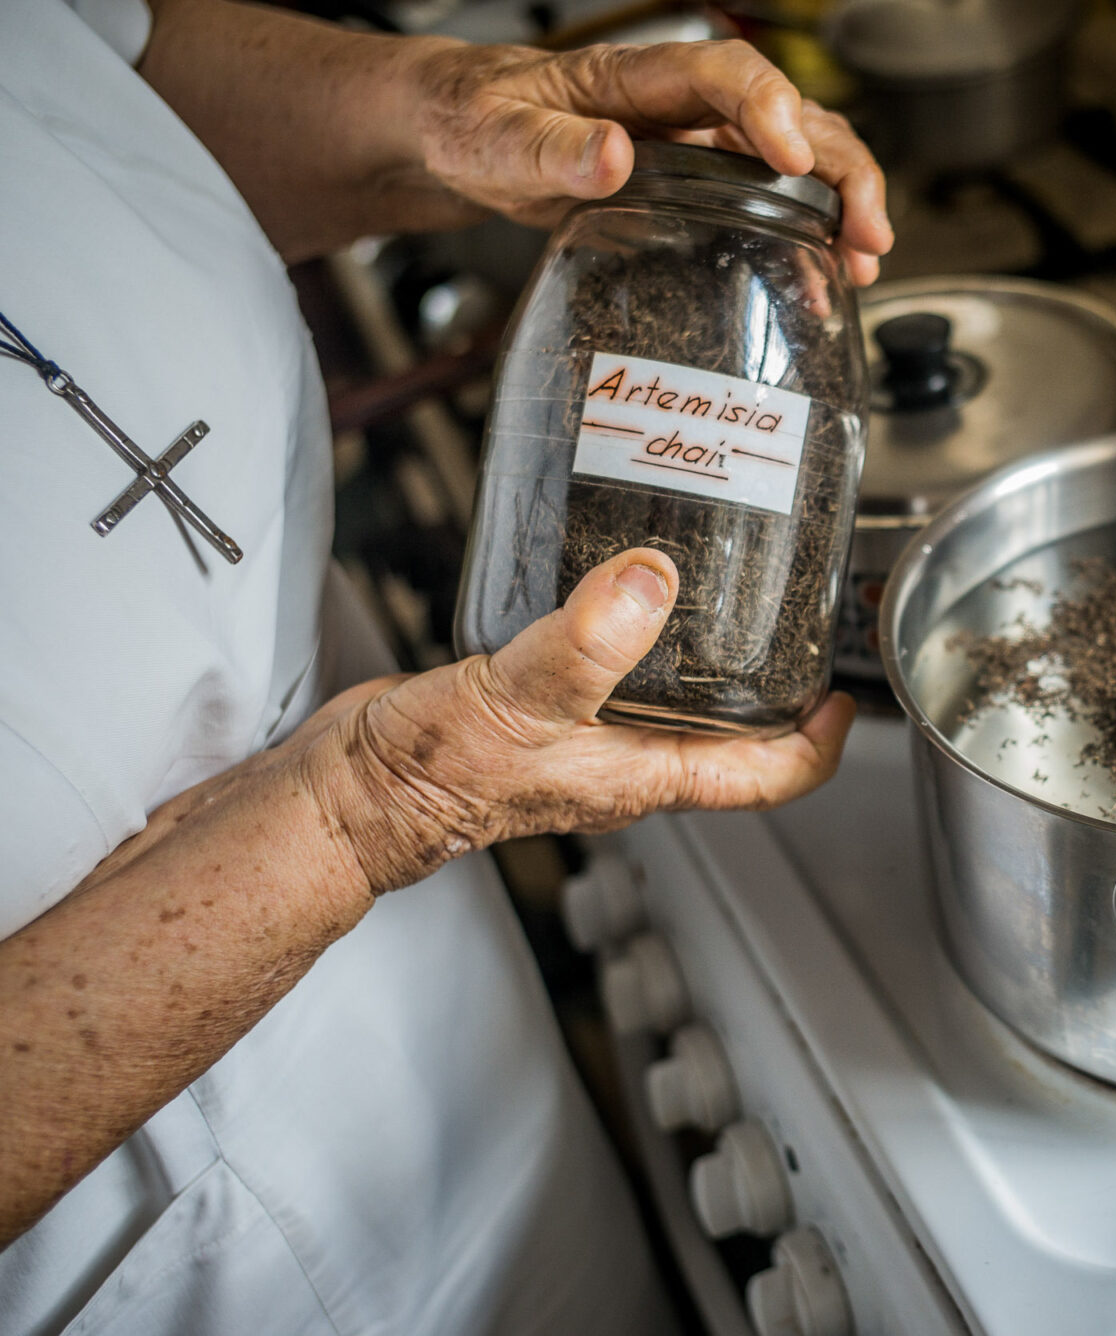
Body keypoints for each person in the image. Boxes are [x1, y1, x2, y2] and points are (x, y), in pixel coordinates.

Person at [0, 0, 892, 1331]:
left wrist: (445, 111)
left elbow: (98, 84)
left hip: (431, 1023)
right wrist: (364, 808)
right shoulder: (385, 794)